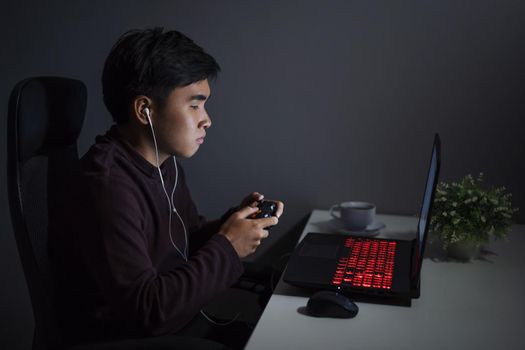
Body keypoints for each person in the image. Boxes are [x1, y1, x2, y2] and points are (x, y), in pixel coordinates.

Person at [49, 27, 284, 349]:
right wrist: (229, 246)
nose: (207, 120)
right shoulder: (105, 187)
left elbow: (181, 243)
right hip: (132, 339)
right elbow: (148, 312)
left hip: (181, 327)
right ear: (144, 109)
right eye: (194, 105)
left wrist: (233, 225)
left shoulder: (164, 163)